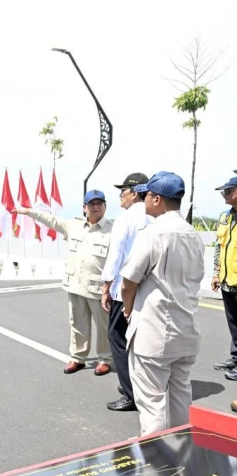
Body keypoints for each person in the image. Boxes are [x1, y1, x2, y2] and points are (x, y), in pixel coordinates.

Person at [121, 171, 205, 436]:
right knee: (180, 393)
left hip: (154, 331)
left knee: (152, 400)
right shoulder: (193, 235)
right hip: (187, 328)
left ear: (157, 199)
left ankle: (156, 455)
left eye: (146, 195)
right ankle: (181, 447)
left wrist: (127, 307)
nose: (143, 200)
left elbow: (128, 282)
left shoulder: (153, 233)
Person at [16, 190, 113, 375]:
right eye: (91, 204)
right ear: (84, 207)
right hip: (76, 284)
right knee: (77, 324)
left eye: (99, 203)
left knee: (103, 327)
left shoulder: (112, 229)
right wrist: (29, 211)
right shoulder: (73, 225)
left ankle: (105, 359)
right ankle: (78, 357)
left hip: (99, 288)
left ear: (105, 206)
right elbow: (51, 220)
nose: (96, 207)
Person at [101, 173, 151, 412]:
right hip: (148, 291)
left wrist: (106, 287)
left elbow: (115, 256)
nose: (120, 195)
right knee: (140, 341)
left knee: (117, 337)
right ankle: (140, 386)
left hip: (124, 291)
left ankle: (131, 393)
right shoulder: (156, 216)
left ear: (135, 192)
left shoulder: (126, 218)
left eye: (123, 191)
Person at [211, 173, 237, 381]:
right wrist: (216, 273)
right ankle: (235, 358)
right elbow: (219, 247)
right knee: (233, 322)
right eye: (223, 192)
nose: (224, 195)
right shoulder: (225, 216)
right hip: (228, 280)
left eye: (228, 191)